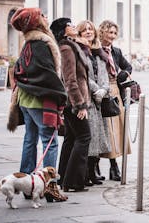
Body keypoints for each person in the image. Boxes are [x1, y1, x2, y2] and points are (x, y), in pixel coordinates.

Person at [8, 7, 68, 202]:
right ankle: (50, 186)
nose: (46, 17)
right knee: (50, 142)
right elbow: (46, 75)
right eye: (42, 15)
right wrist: (60, 94)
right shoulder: (41, 44)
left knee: (30, 139)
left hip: (26, 99)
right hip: (38, 100)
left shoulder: (29, 43)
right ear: (36, 21)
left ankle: (26, 183)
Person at [50, 18, 92, 192]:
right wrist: (80, 105)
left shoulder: (69, 46)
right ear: (63, 30)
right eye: (70, 25)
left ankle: (64, 179)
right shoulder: (67, 48)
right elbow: (70, 79)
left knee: (71, 138)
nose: (74, 26)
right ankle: (73, 182)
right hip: (74, 101)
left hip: (70, 101)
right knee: (84, 137)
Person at [77, 20, 111, 185]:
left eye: (91, 29)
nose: (89, 32)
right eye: (85, 30)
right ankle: (84, 173)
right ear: (80, 33)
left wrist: (104, 90)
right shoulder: (80, 51)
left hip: (99, 100)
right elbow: (82, 75)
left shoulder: (99, 52)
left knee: (98, 137)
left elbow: (104, 74)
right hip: (88, 98)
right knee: (89, 137)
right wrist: (96, 89)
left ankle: (92, 171)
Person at [98, 20, 132, 181]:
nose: (112, 36)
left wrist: (123, 74)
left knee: (117, 131)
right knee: (106, 131)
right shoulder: (96, 50)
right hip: (102, 92)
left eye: (114, 33)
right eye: (109, 32)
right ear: (102, 32)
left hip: (116, 92)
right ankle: (96, 165)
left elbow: (128, 67)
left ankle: (114, 166)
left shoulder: (116, 51)